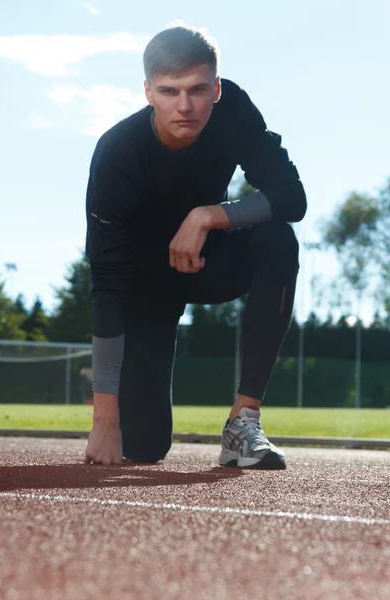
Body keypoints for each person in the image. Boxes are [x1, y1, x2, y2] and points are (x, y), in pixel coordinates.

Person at [84, 24, 306, 469]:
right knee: (143, 448)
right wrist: (104, 416)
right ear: (147, 91)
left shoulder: (233, 109)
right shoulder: (116, 154)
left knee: (278, 238)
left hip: (209, 259)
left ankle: (243, 424)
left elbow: (291, 197)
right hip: (145, 285)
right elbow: (107, 282)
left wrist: (208, 214)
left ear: (217, 88)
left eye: (198, 90)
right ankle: (127, 422)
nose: (184, 106)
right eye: (169, 91)